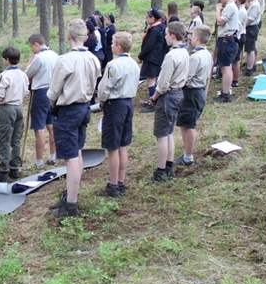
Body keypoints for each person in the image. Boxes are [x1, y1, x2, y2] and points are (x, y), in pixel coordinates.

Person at [47, 19, 101, 217]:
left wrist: (53, 104)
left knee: (70, 157)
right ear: (85, 37)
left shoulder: (65, 60)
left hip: (69, 110)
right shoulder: (93, 59)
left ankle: (71, 204)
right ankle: (71, 196)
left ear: (68, 36)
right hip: (84, 108)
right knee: (76, 152)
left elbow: (53, 91)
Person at [96, 31, 140, 197]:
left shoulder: (113, 65)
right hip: (128, 103)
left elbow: (105, 86)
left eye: (113, 43)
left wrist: (101, 100)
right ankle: (121, 181)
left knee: (112, 146)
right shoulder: (134, 64)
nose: (111, 46)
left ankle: (113, 185)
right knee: (123, 144)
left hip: (115, 105)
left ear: (119, 47)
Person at [148, 22, 189, 182]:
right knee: (169, 131)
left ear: (172, 35)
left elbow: (163, 84)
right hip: (179, 93)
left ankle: (160, 170)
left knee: (161, 135)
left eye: (166, 34)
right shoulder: (185, 52)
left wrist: (154, 97)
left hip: (168, 96)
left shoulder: (171, 55)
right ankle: (169, 165)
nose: (165, 37)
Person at [174, 25, 214, 167]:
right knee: (185, 124)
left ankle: (188, 156)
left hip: (192, 92)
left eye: (192, 36)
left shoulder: (196, 57)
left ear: (196, 38)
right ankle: (186, 153)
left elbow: (187, 77)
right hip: (199, 91)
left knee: (189, 125)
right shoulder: (207, 54)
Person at [0, 47, 30, 182]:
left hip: (7, 108)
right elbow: (26, 92)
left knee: (3, 139)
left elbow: (0, 96)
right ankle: (14, 168)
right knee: (16, 139)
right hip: (19, 107)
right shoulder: (23, 75)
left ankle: (3, 171)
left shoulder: (5, 75)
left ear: (7, 60)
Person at [25, 33, 59, 169]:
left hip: (41, 92)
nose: (32, 50)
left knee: (39, 127)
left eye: (32, 47)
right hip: (54, 92)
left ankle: (39, 161)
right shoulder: (55, 55)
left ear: (36, 44)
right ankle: (53, 156)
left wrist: (29, 61)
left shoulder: (39, 58)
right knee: (51, 125)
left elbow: (27, 74)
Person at [213, 0, 239, 103]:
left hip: (227, 40)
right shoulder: (230, 6)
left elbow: (220, 21)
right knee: (224, 66)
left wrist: (218, 10)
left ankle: (225, 93)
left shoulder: (229, 7)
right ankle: (225, 91)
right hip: (226, 39)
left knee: (226, 67)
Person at [138, 8, 166, 113]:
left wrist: (141, 56)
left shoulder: (154, 30)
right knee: (155, 79)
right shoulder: (162, 27)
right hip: (158, 57)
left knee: (151, 80)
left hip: (151, 58)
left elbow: (149, 45)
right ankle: (155, 100)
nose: (146, 20)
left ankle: (152, 103)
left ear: (152, 18)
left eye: (147, 18)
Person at [242, 0, 262, 76]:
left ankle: (249, 69)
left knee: (250, 49)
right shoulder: (252, 4)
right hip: (251, 28)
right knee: (251, 47)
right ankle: (250, 65)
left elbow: (250, 19)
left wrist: (242, 26)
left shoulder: (255, 5)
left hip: (251, 28)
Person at [231, 0, 249, 88]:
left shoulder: (241, 11)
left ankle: (235, 80)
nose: (235, 0)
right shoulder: (237, 9)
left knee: (235, 60)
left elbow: (237, 25)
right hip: (238, 35)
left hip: (239, 36)